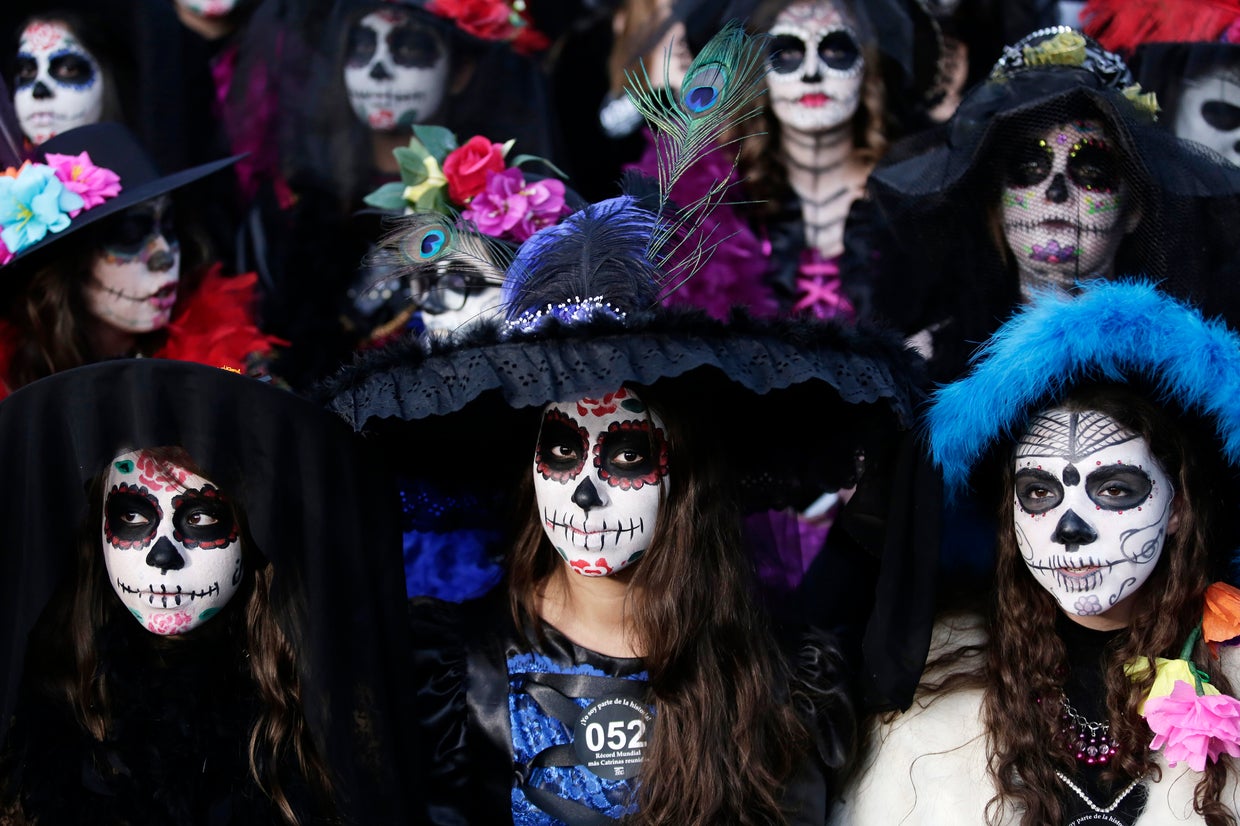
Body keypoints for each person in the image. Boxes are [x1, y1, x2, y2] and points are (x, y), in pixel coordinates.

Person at [322, 21, 926, 822]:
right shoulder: (455, 671)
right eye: (563, 448)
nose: (586, 495)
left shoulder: (776, 679)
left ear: (685, 468)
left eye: (630, 453)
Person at [833, 280, 1240, 825]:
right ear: (1010, 514)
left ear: (1177, 509)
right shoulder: (937, 706)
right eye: (1039, 493)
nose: (1070, 526)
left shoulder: (1229, 668)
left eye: (1115, 489)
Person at [0, 358, 410, 823]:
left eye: (199, 518)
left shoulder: (326, 705)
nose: (162, 556)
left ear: (253, 532)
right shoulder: (39, 700)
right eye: (132, 517)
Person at [855, 26, 1240, 383]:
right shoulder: (927, 362)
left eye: (1092, 170)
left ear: (1133, 208)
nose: (1056, 193)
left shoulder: (1187, 366)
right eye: (1029, 167)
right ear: (997, 204)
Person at [0, 122, 279, 398]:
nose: (165, 255)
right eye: (131, 232)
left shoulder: (229, 362)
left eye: (168, 226)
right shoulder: (15, 382)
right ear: (68, 265)